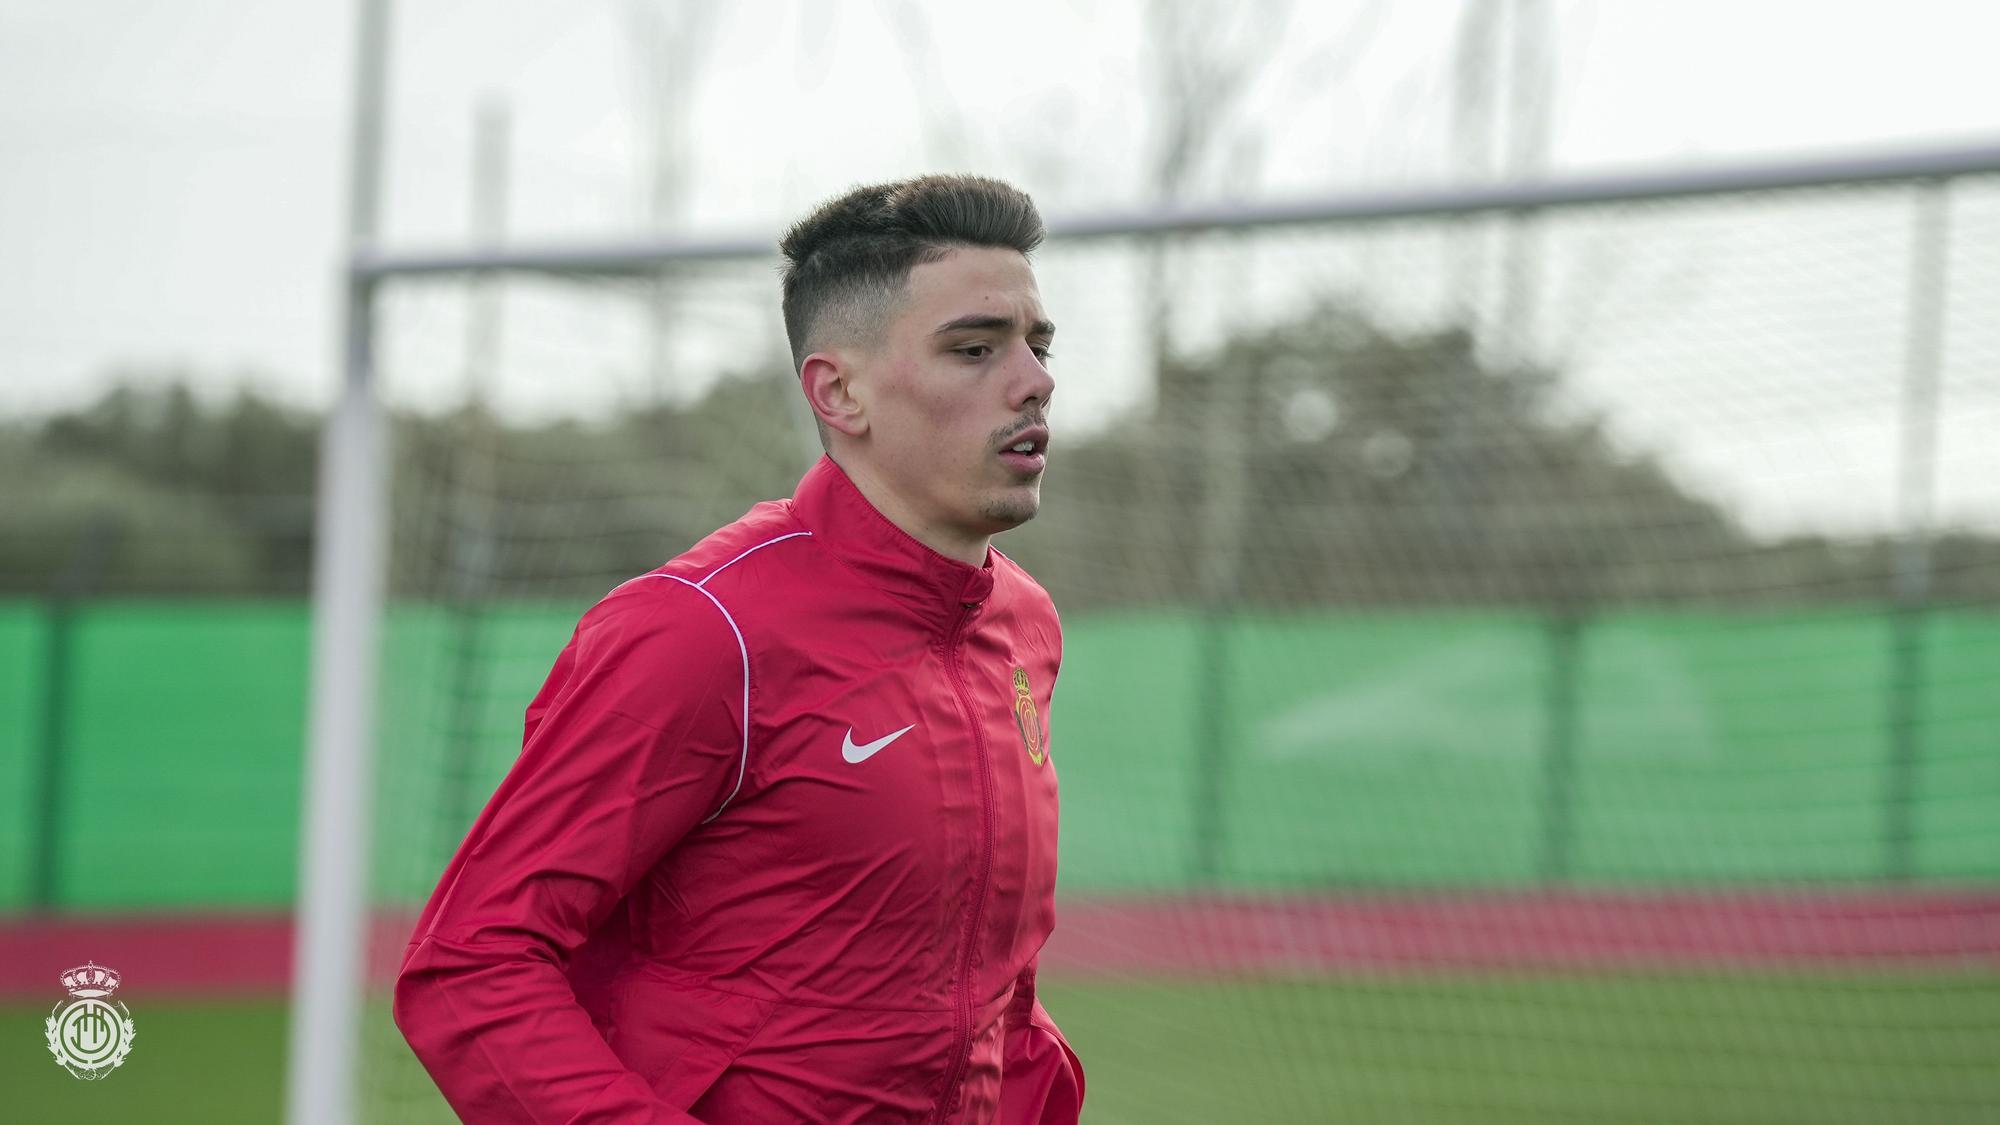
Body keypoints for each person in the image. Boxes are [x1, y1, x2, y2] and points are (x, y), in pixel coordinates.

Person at [393, 173, 1083, 1125]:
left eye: (1037, 345)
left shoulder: (1024, 626)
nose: (1034, 379)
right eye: (975, 348)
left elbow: (990, 985)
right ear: (838, 391)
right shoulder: (700, 631)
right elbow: (470, 964)